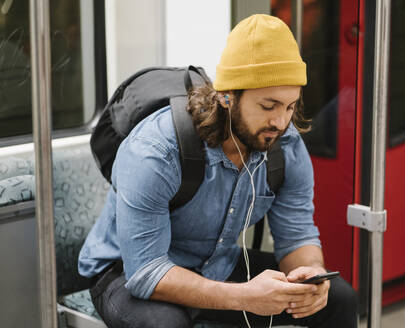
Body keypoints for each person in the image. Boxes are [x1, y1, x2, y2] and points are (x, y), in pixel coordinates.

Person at [79, 14, 357, 328]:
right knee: (165, 325)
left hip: (215, 263)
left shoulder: (286, 143)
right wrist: (244, 296)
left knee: (340, 300)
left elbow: (297, 236)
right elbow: (146, 274)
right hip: (127, 272)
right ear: (226, 96)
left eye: (290, 106)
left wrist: (309, 275)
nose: (281, 122)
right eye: (269, 106)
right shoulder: (156, 150)